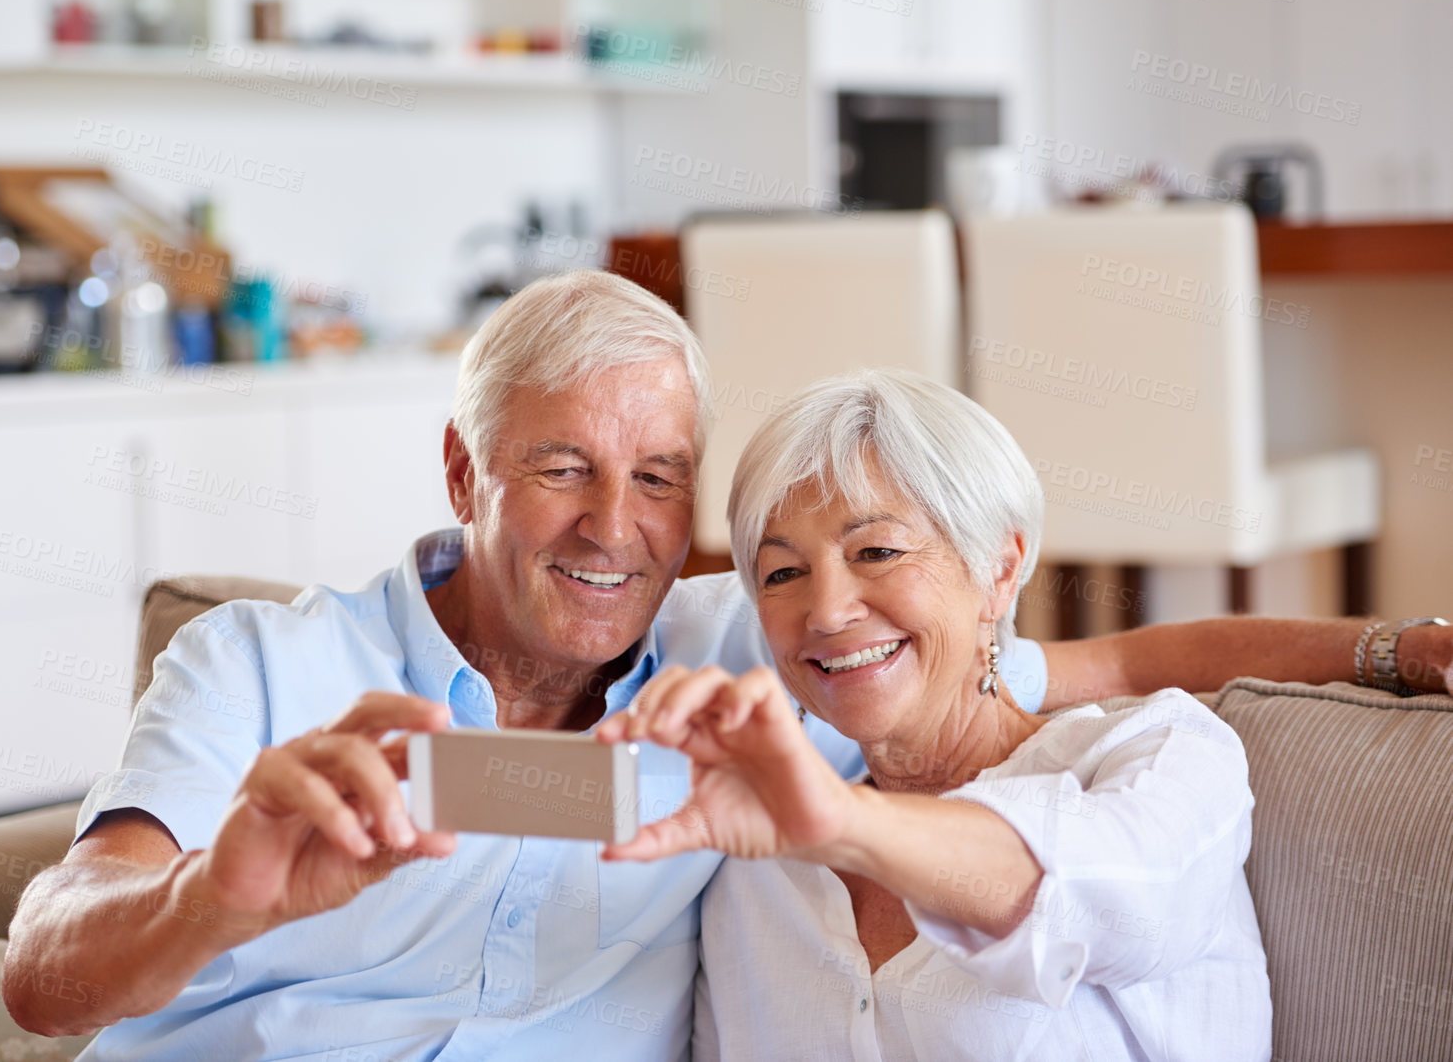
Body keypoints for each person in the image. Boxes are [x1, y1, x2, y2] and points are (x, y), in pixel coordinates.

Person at [3, 274, 1450, 1060]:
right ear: (462, 467)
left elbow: (1116, 662)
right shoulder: (263, 662)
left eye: (656, 480)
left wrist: (1389, 646)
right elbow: (48, 971)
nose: (612, 528)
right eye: (559, 466)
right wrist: (212, 895)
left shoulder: (755, 675)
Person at [597, 368, 1427, 1059]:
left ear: (1000, 570)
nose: (825, 609)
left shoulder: (1162, 756)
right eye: (781, 574)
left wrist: (838, 821)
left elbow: (1102, 901)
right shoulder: (754, 868)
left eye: (876, 551)